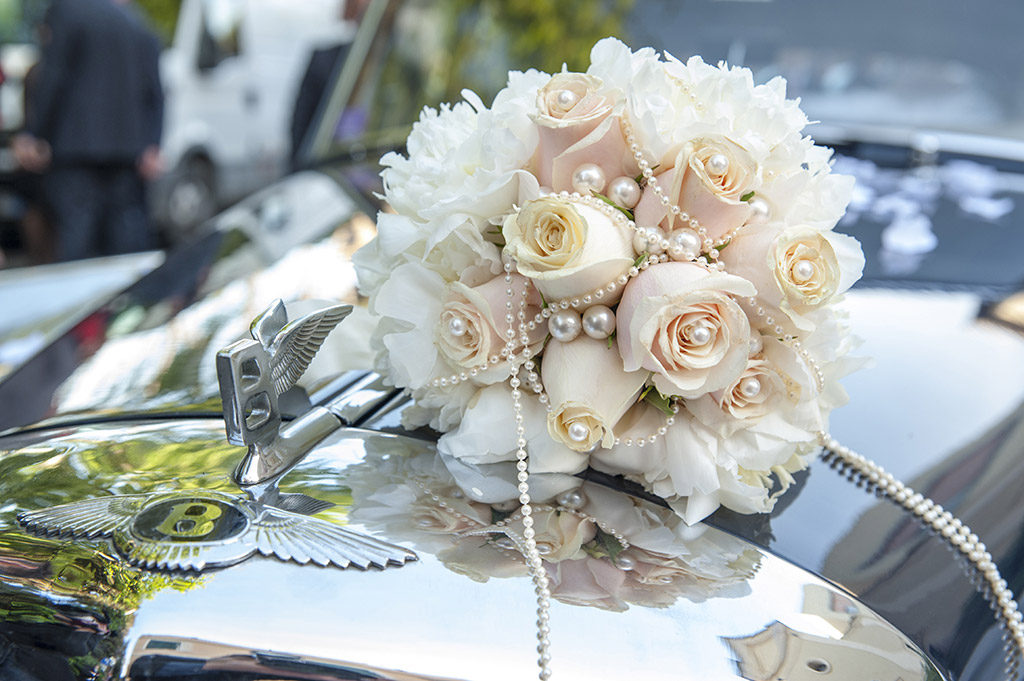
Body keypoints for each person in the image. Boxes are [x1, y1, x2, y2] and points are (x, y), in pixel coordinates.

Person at [14, 0, 164, 261]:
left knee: (76, 241)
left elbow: (54, 76)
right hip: (127, 151)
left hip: (76, 149)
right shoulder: (137, 21)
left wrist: (34, 134)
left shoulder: (68, 10)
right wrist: (152, 143)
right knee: (123, 242)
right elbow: (156, 93)